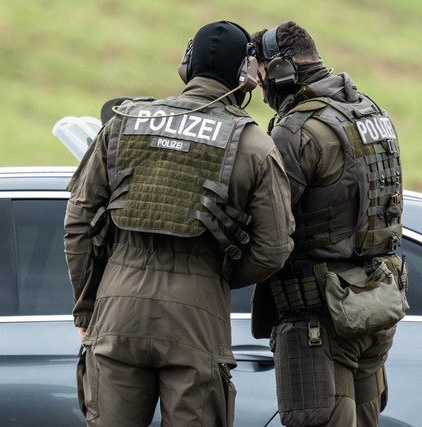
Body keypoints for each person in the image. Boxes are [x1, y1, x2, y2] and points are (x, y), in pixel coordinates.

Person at [64, 21, 295, 427]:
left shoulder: (122, 122)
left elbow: (79, 221)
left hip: (117, 311)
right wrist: (217, 275)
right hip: (198, 320)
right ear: (245, 74)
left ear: (186, 65)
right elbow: (273, 248)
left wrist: (87, 308)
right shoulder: (255, 145)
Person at [250, 21, 406, 427]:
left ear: (282, 71)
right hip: (373, 305)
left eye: (262, 73)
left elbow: (263, 221)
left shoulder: (297, 131)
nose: (259, 84)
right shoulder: (371, 112)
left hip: (321, 316)